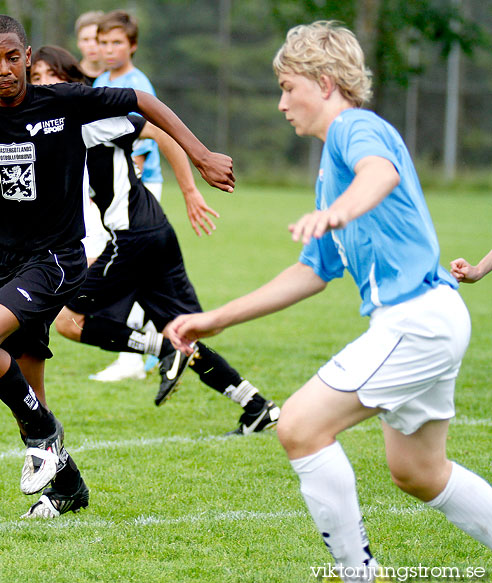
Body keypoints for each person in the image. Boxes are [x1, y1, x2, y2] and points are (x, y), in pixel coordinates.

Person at [168, 20, 492, 581]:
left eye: (288, 87)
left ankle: (356, 574)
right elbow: (311, 273)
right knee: (419, 472)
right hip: (428, 317)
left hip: (418, 321)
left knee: (298, 424)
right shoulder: (328, 171)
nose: (280, 104)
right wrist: (214, 319)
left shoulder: (353, 129)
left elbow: (380, 173)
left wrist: (339, 211)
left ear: (323, 82)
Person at [0, 15, 234, 519]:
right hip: (8, 261)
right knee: (27, 391)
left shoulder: (65, 103)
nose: (4, 69)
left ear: (27, 57)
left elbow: (143, 103)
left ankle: (47, 437)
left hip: (57, 258)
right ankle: (67, 485)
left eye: (13, 57)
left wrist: (199, 155)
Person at [30, 45, 279, 434]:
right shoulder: (56, 128)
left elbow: (161, 131)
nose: (42, 84)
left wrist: (191, 191)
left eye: (50, 75)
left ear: (72, 80)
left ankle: (161, 350)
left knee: (68, 321)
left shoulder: (93, 113)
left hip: (134, 237)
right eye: (36, 78)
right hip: (151, 234)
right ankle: (255, 404)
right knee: (184, 331)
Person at [90, 9, 165, 382]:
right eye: (103, 42)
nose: (108, 49)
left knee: (124, 266)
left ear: (132, 45)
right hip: (110, 190)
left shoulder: (139, 84)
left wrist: (118, 186)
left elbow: (139, 143)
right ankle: (154, 343)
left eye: (117, 42)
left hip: (138, 188)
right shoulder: (100, 80)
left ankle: (133, 358)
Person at [74, 10, 105, 84]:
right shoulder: (70, 76)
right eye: (85, 40)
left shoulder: (118, 75)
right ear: (78, 43)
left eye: (96, 39)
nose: (91, 45)